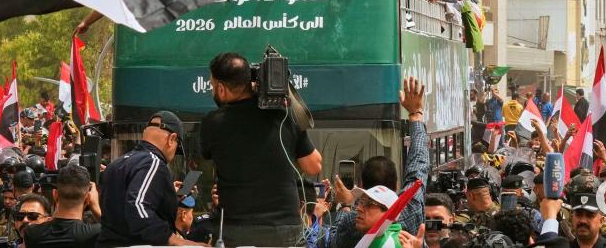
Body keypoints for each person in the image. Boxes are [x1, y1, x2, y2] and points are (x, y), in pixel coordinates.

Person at [199, 52, 323, 246]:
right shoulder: (283, 116)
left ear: (221, 89)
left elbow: (208, 155)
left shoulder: (212, 123)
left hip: (236, 228)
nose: (212, 90)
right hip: (283, 228)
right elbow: (314, 166)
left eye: (213, 86)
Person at [328, 77, 428, 248]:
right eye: (361, 202)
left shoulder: (352, 222)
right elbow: (419, 164)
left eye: (369, 204)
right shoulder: (412, 208)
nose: (359, 209)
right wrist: (415, 115)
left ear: (389, 213)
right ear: (396, 185)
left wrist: (345, 205)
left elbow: (334, 240)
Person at [98, 110, 186, 247]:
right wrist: (175, 240)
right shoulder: (154, 162)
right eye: (177, 147)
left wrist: (167, 197)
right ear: (171, 139)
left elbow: (121, 206)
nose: (175, 153)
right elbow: (138, 205)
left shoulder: (115, 164)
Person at [23, 164, 101, 248]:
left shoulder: (31, 233)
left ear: (55, 194)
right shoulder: (94, 233)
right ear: (88, 199)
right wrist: (96, 206)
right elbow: (114, 232)